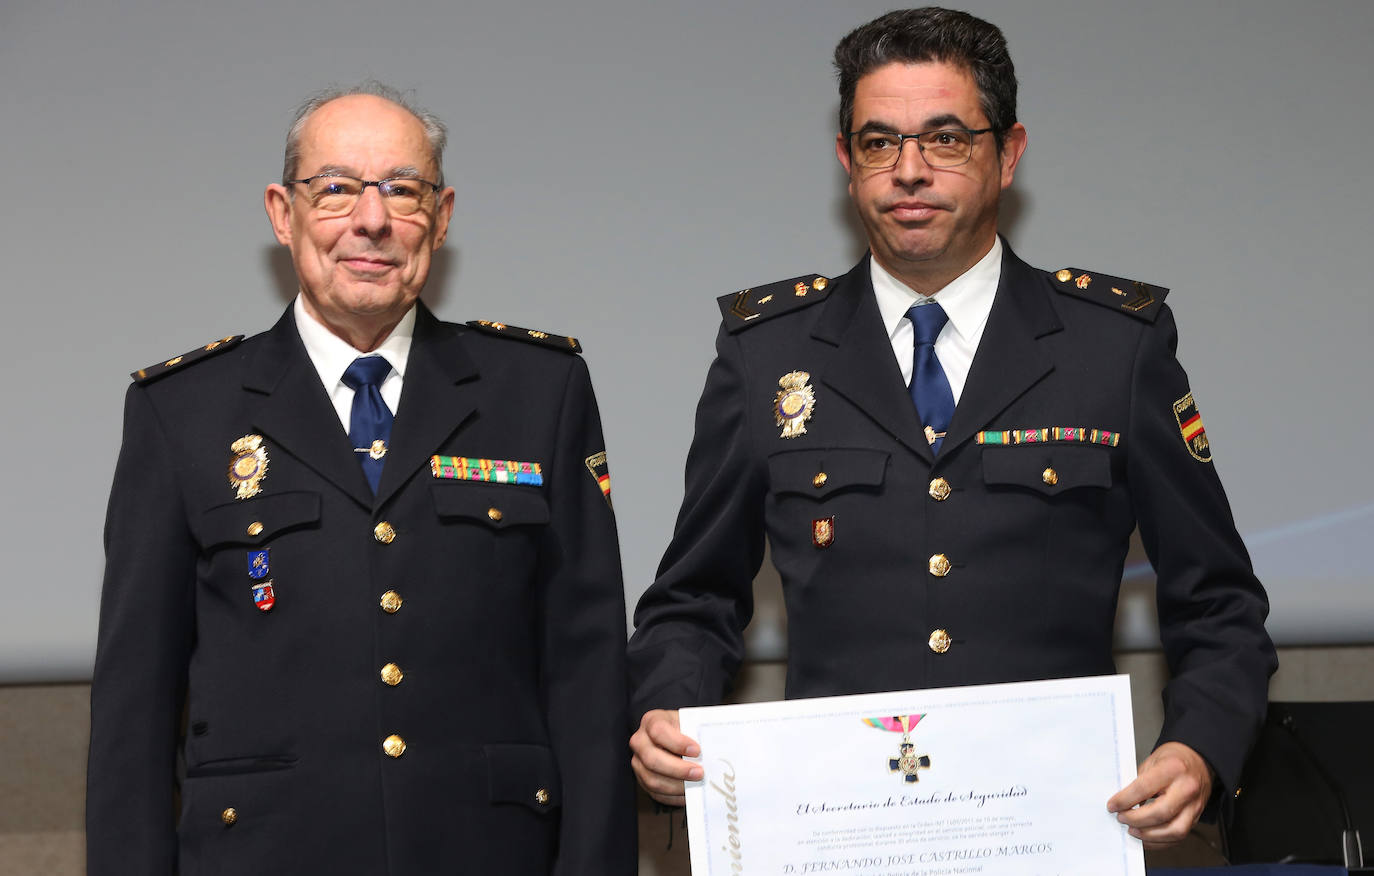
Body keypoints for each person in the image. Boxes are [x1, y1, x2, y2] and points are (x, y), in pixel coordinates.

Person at [626, 7, 1276, 848]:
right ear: (844, 162)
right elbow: (694, 598)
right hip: (836, 837)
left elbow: (1220, 603)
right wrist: (662, 711)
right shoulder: (768, 353)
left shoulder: (1113, 347)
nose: (908, 171)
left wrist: (1198, 749)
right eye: (877, 142)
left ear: (1007, 154)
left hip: (1054, 835)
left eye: (945, 139)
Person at [87, 83, 635, 875]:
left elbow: (587, 676)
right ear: (283, 212)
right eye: (336, 188)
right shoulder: (184, 412)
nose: (371, 221)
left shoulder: (538, 392)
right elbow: (134, 711)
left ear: (442, 217)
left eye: (402, 191)